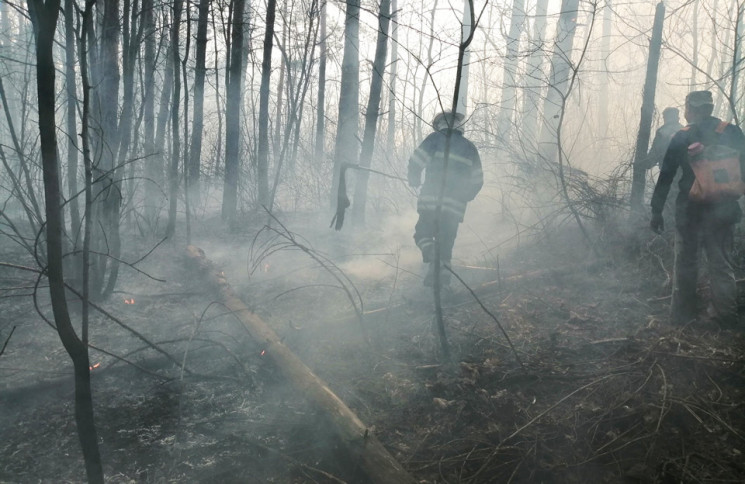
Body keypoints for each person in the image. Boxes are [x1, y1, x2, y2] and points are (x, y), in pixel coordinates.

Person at [650, 90, 745, 328]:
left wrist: (656, 210)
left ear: (691, 109)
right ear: (710, 108)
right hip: (723, 210)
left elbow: (667, 175)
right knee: (721, 265)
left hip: (689, 211)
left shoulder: (683, 136)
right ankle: (724, 318)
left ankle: (682, 318)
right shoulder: (731, 131)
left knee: (685, 264)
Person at [408, 111, 483, 286]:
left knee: (422, 235)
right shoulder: (470, 148)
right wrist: (463, 196)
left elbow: (415, 161)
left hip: (431, 203)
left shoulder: (434, 139)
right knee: (446, 245)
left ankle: (431, 251)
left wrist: (414, 179)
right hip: (454, 208)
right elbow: (478, 180)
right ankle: (441, 287)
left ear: (440, 124)